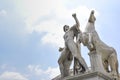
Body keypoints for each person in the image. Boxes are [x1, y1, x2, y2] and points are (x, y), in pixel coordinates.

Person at [58, 13, 88, 78]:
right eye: (65, 27)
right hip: (66, 47)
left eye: (67, 26)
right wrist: (62, 49)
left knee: (77, 55)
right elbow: (65, 43)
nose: (66, 27)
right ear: (64, 29)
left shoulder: (71, 29)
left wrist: (75, 17)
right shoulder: (64, 35)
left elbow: (78, 24)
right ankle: (63, 76)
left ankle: (87, 69)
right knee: (59, 61)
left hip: (71, 43)